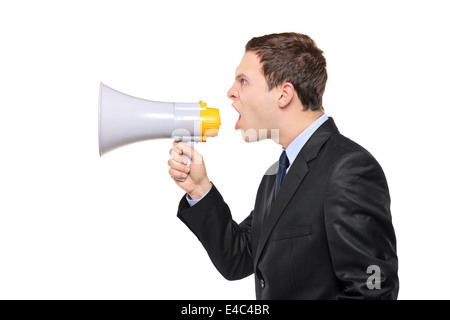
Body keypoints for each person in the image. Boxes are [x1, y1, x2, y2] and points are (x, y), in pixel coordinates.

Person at [168, 32, 399, 300]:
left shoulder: (348, 169)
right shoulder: (277, 173)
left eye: (243, 81)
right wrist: (199, 189)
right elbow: (240, 258)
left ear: (284, 94)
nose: (231, 92)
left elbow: (374, 289)